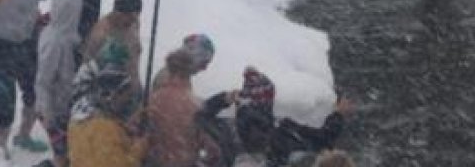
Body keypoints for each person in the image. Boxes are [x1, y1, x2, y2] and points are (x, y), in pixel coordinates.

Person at [201, 67, 351, 167]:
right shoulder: (283, 132)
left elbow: (199, 116)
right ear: (269, 102)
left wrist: (223, 99)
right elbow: (324, 139)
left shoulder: (225, 130)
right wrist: (338, 114)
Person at [0, 0, 50, 157]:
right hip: (0, 45)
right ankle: (1, 146)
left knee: (34, 92)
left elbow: (29, 11)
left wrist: (41, 21)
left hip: (26, 45)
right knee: (4, 98)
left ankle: (24, 135)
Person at [67, 61, 148, 167]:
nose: (127, 100)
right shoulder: (105, 128)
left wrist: (125, 130)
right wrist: (140, 146)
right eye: (125, 95)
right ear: (113, 95)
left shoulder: (80, 120)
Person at [36, 0, 83, 167]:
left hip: (62, 106)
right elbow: (44, 79)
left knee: (65, 149)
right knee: (62, 152)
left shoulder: (65, 35)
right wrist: (47, 112)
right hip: (53, 108)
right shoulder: (54, 41)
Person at [147, 50, 214, 167]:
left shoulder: (152, 101)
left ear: (169, 69)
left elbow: (131, 132)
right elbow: (212, 151)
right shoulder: (196, 106)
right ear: (189, 71)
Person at [82, 0, 143, 111]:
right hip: (107, 95)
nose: (132, 22)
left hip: (130, 89)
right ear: (117, 12)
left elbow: (133, 58)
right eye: (129, 19)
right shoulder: (100, 35)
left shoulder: (133, 23)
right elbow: (87, 71)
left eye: (135, 18)